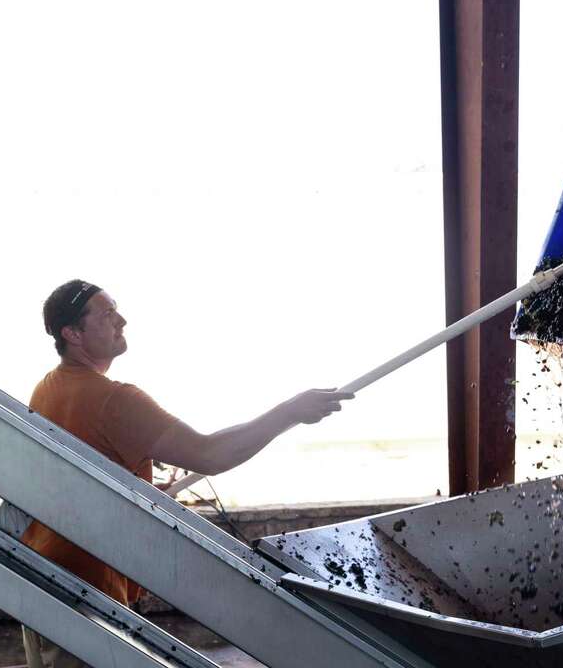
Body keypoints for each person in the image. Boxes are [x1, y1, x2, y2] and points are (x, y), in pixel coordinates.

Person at [20, 279, 350, 668]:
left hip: (44, 573)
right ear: (72, 333)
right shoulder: (114, 398)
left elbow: (74, 472)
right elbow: (210, 454)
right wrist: (291, 411)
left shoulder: (49, 387)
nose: (121, 320)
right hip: (88, 588)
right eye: (107, 315)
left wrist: (141, 486)